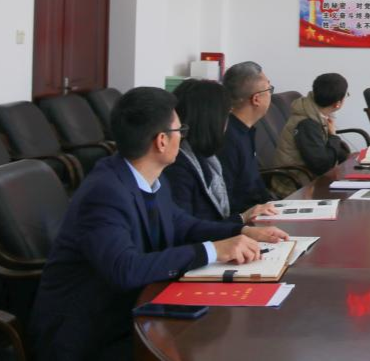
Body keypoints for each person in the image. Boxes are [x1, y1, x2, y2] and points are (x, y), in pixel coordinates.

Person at [29, 87, 288, 361]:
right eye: (180, 130)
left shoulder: (149, 176)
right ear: (162, 141)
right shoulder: (105, 193)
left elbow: (181, 224)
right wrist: (213, 250)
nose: (183, 137)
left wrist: (240, 230)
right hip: (90, 335)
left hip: (132, 312)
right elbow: (125, 269)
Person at [164, 79, 277, 223]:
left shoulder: (205, 157)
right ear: (211, 119)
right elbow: (189, 229)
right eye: (226, 114)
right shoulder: (178, 168)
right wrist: (242, 220)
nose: (227, 122)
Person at [217, 61, 277, 214]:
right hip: (244, 220)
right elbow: (228, 198)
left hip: (261, 210)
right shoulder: (228, 138)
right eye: (269, 89)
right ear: (256, 99)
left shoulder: (245, 130)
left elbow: (254, 182)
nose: (271, 94)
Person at [274, 72, 354, 182]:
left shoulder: (315, 112)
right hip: (298, 185)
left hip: (311, 177)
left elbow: (323, 148)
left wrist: (349, 157)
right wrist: (333, 136)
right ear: (337, 104)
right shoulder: (307, 124)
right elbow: (322, 166)